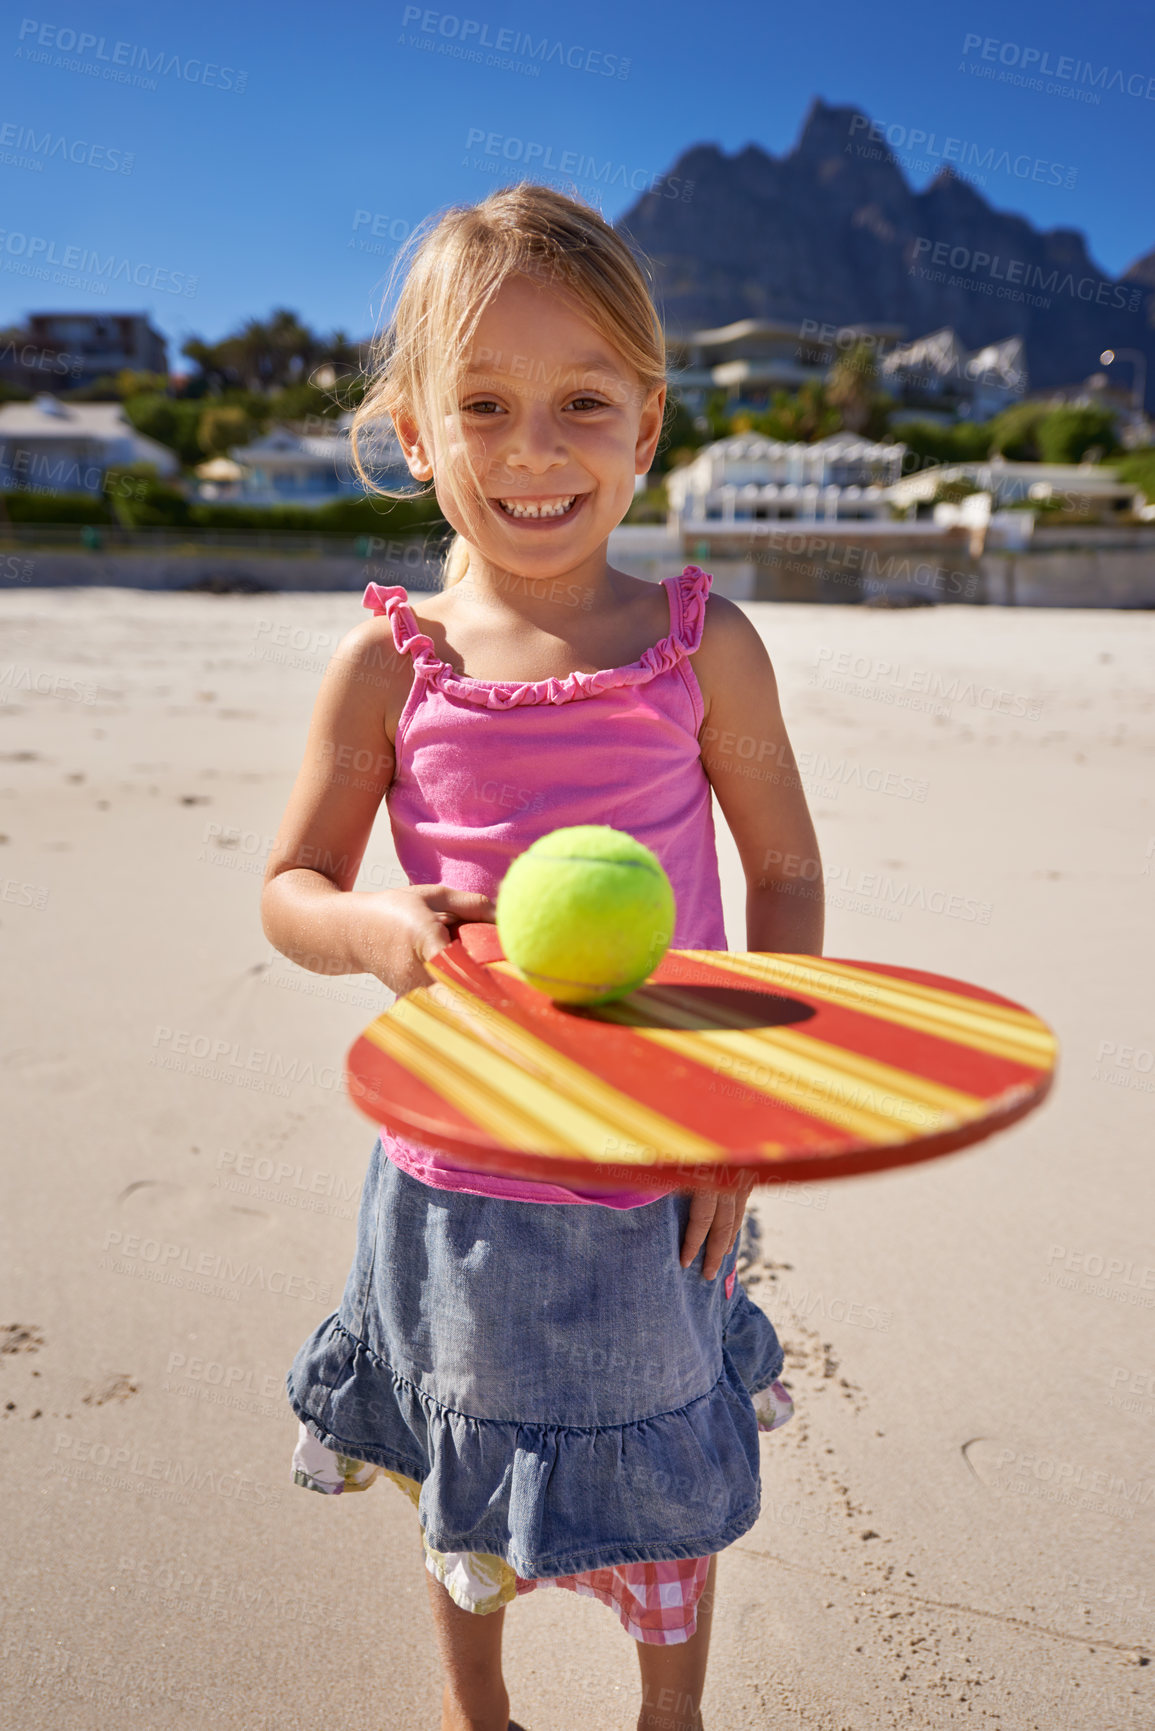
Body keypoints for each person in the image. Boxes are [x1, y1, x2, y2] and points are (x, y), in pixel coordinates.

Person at [264, 183, 824, 1731]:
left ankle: (670, 1714)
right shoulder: (392, 664)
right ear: (415, 432)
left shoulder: (700, 644)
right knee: (464, 1471)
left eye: (583, 403)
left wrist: (750, 1113)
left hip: (660, 1161)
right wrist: (380, 933)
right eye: (486, 406)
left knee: (670, 1467)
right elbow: (292, 886)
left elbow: (781, 871)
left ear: (647, 429)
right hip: (457, 1182)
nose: (533, 448)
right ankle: (480, 1712)